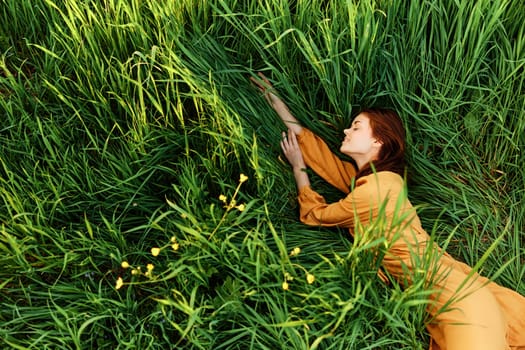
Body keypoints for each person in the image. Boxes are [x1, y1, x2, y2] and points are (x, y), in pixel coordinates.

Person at [251, 72, 525, 350]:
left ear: (377, 141)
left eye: (356, 127)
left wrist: (298, 167)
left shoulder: (372, 192)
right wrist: (277, 103)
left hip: (459, 302)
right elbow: (328, 162)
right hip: (458, 294)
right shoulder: (380, 183)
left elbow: (316, 214)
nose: (346, 131)